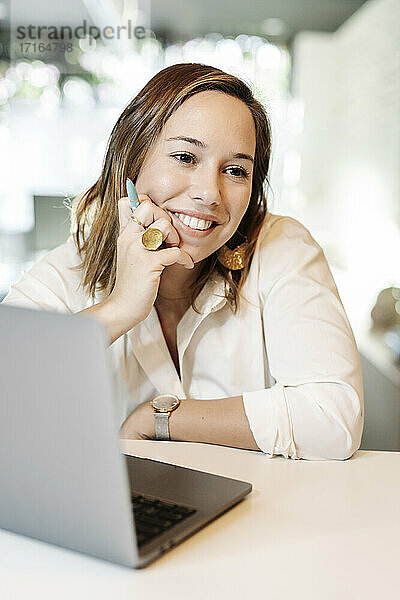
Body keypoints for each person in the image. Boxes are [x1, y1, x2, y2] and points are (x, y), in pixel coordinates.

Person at [1, 63, 363, 460]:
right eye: (186, 157)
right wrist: (120, 307)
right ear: (132, 159)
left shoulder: (281, 246)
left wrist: (160, 420)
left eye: (236, 170)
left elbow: (332, 418)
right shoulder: (74, 267)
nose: (210, 193)